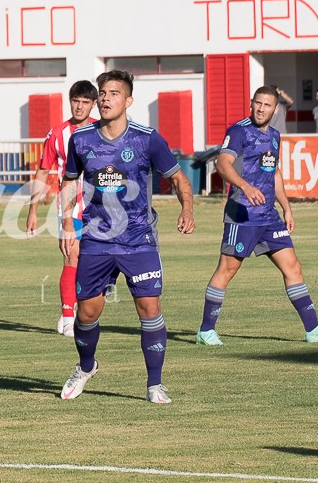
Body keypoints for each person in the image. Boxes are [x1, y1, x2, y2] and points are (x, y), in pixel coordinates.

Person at [57, 70, 195, 404]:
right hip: (96, 239)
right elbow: (70, 183)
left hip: (138, 238)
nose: (105, 98)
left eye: (114, 93)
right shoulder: (82, 139)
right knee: (86, 314)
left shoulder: (147, 139)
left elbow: (179, 179)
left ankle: (155, 384)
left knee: (149, 307)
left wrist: (187, 208)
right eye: (103, 93)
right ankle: (86, 366)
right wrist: (66, 223)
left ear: (128, 101)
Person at [196, 87, 318, 347]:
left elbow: (274, 173)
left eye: (266, 105)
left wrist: (287, 207)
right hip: (241, 215)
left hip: (269, 216)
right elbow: (223, 164)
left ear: (275, 109)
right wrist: (245, 186)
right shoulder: (238, 131)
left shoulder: (275, 136)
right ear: (251, 103)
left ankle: (313, 329)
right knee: (227, 270)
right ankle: (206, 331)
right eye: (257, 103)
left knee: (293, 267)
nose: (260, 108)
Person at [26, 80, 98, 337]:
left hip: (100, 207)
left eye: (85, 102)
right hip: (69, 207)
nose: (79, 107)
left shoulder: (102, 130)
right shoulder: (57, 134)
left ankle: (82, 308)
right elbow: (43, 170)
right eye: (75, 101)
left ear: (93, 104)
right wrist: (32, 211)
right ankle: (69, 316)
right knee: (71, 256)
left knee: (97, 262)